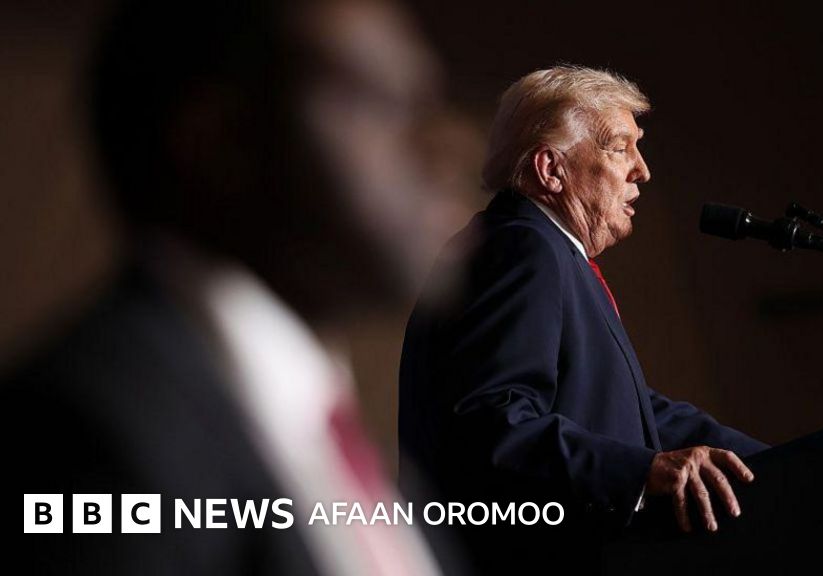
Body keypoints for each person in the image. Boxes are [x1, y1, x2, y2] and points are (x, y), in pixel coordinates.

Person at [7, 1, 449, 574]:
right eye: (380, 103)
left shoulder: (367, 470)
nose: (444, 148)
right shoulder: (85, 435)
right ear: (218, 139)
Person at [399, 65, 769, 573]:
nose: (642, 171)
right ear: (551, 169)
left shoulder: (550, 251)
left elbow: (638, 411)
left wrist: (778, 463)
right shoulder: (521, 246)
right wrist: (640, 472)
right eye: (620, 148)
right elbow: (491, 421)